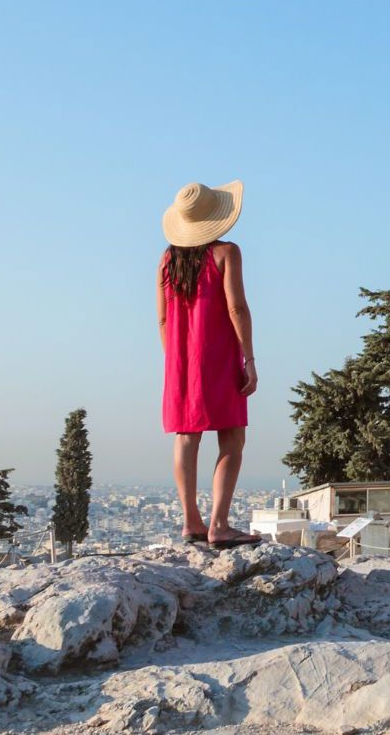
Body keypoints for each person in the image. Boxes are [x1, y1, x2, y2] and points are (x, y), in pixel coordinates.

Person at [157, 180, 261, 548]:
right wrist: (248, 358)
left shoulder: (167, 261)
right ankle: (219, 524)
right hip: (217, 357)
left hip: (179, 362)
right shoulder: (226, 253)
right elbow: (236, 308)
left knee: (186, 438)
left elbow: (164, 321)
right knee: (232, 437)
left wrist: (176, 361)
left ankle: (191, 522)